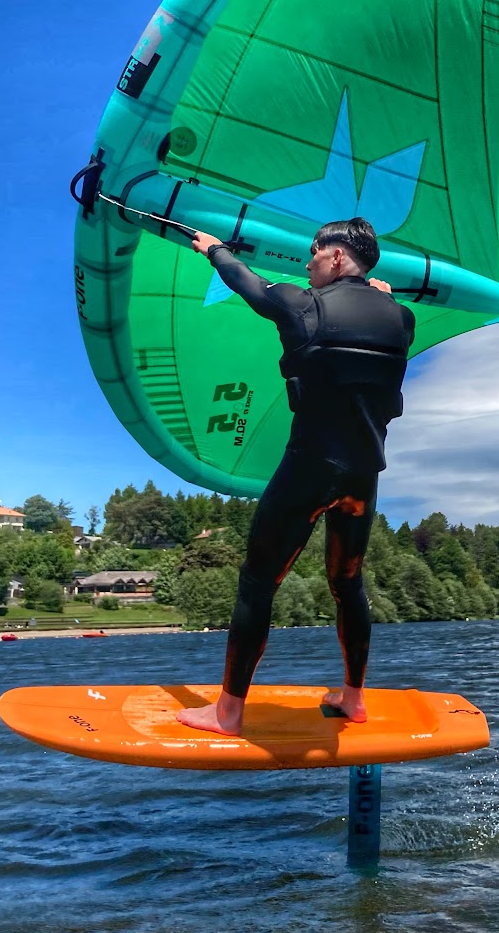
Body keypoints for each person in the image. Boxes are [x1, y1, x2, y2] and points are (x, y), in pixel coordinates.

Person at [176, 217, 415, 736]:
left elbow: (249, 285)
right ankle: (353, 699)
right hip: (363, 477)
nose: (306, 264)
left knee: (258, 582)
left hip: (310, 468)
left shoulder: (302, 303)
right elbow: (380, 318)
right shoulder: (403, 318)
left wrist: (214, 249)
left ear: (334, 257)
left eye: (313, 253)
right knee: (347, 581)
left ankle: (228, 713)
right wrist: (382, 296)